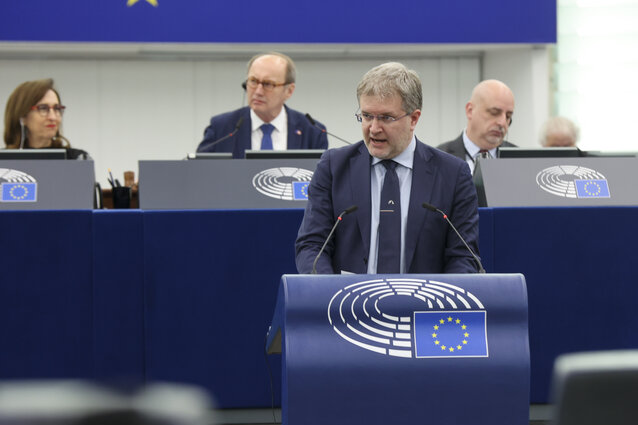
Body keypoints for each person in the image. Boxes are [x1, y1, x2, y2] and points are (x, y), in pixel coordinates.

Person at [295, 62, 481, 275]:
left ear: (414, 118)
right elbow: (311, 246)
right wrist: (328, 294)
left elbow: (464, 257)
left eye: (386, 118)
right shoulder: (333, 167)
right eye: (366, 116)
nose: (374, 128)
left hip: (421, 304)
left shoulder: (453, 174)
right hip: (346, 304)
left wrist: (439, 301)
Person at [197, 52, 328, 158]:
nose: (258, 91)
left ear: (289, 91)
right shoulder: (222, 129)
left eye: (268, 84)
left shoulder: (312, 132)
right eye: (253, 81)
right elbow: (199, 174)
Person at [437, 79, 516, 174]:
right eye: (494, 113)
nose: (502, 123)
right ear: (470, 111)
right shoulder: (438, 159)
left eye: (508, 116)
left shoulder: (521, 160)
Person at [3, 78, 90, 160]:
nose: (53, 117)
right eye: (43, 108)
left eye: (56, 108)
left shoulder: (77, 159)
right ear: (22, 116)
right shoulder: (4, 160)